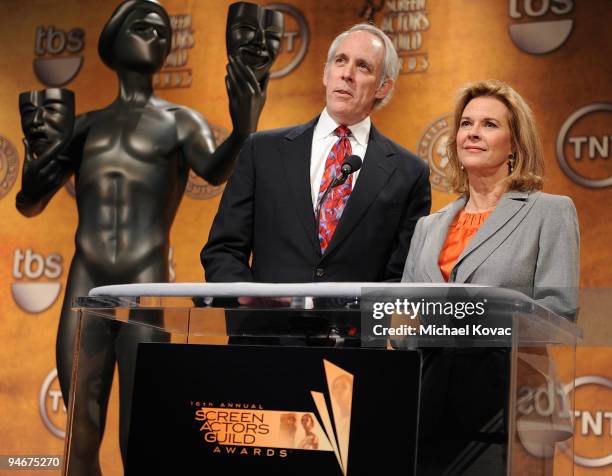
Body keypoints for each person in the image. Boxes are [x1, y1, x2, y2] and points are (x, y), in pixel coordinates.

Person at [16, 1, 280, 474]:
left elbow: (216, 171)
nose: (156, 37)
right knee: (80, 427)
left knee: (141, 430)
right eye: (142, 27)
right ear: (113, 42)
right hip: (86, 282)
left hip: (145, 280)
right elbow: (29, 204)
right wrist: (37, 161)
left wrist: (243, 129)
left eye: (163, 32)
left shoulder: (180, 121)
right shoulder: (85, 127)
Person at [401, 79, 579, 474]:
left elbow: (559, 313)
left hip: (510, 407)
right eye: (466, 123)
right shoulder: (428, 227)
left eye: (490, 125)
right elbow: (404, 317)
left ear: (515, 144)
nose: (474, 133)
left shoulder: (549, 212)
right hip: (429, 408)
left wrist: (472, 322)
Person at [201, 23, 431, 284]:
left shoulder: (409, 173)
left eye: (363, 66)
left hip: (355, 324)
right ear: (325, 73)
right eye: (340, 61)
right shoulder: (262, 151)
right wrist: (251, 300)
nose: (347, 74)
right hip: (267, 322)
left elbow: (402, 276)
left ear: (383, 88)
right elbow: (223, 250)